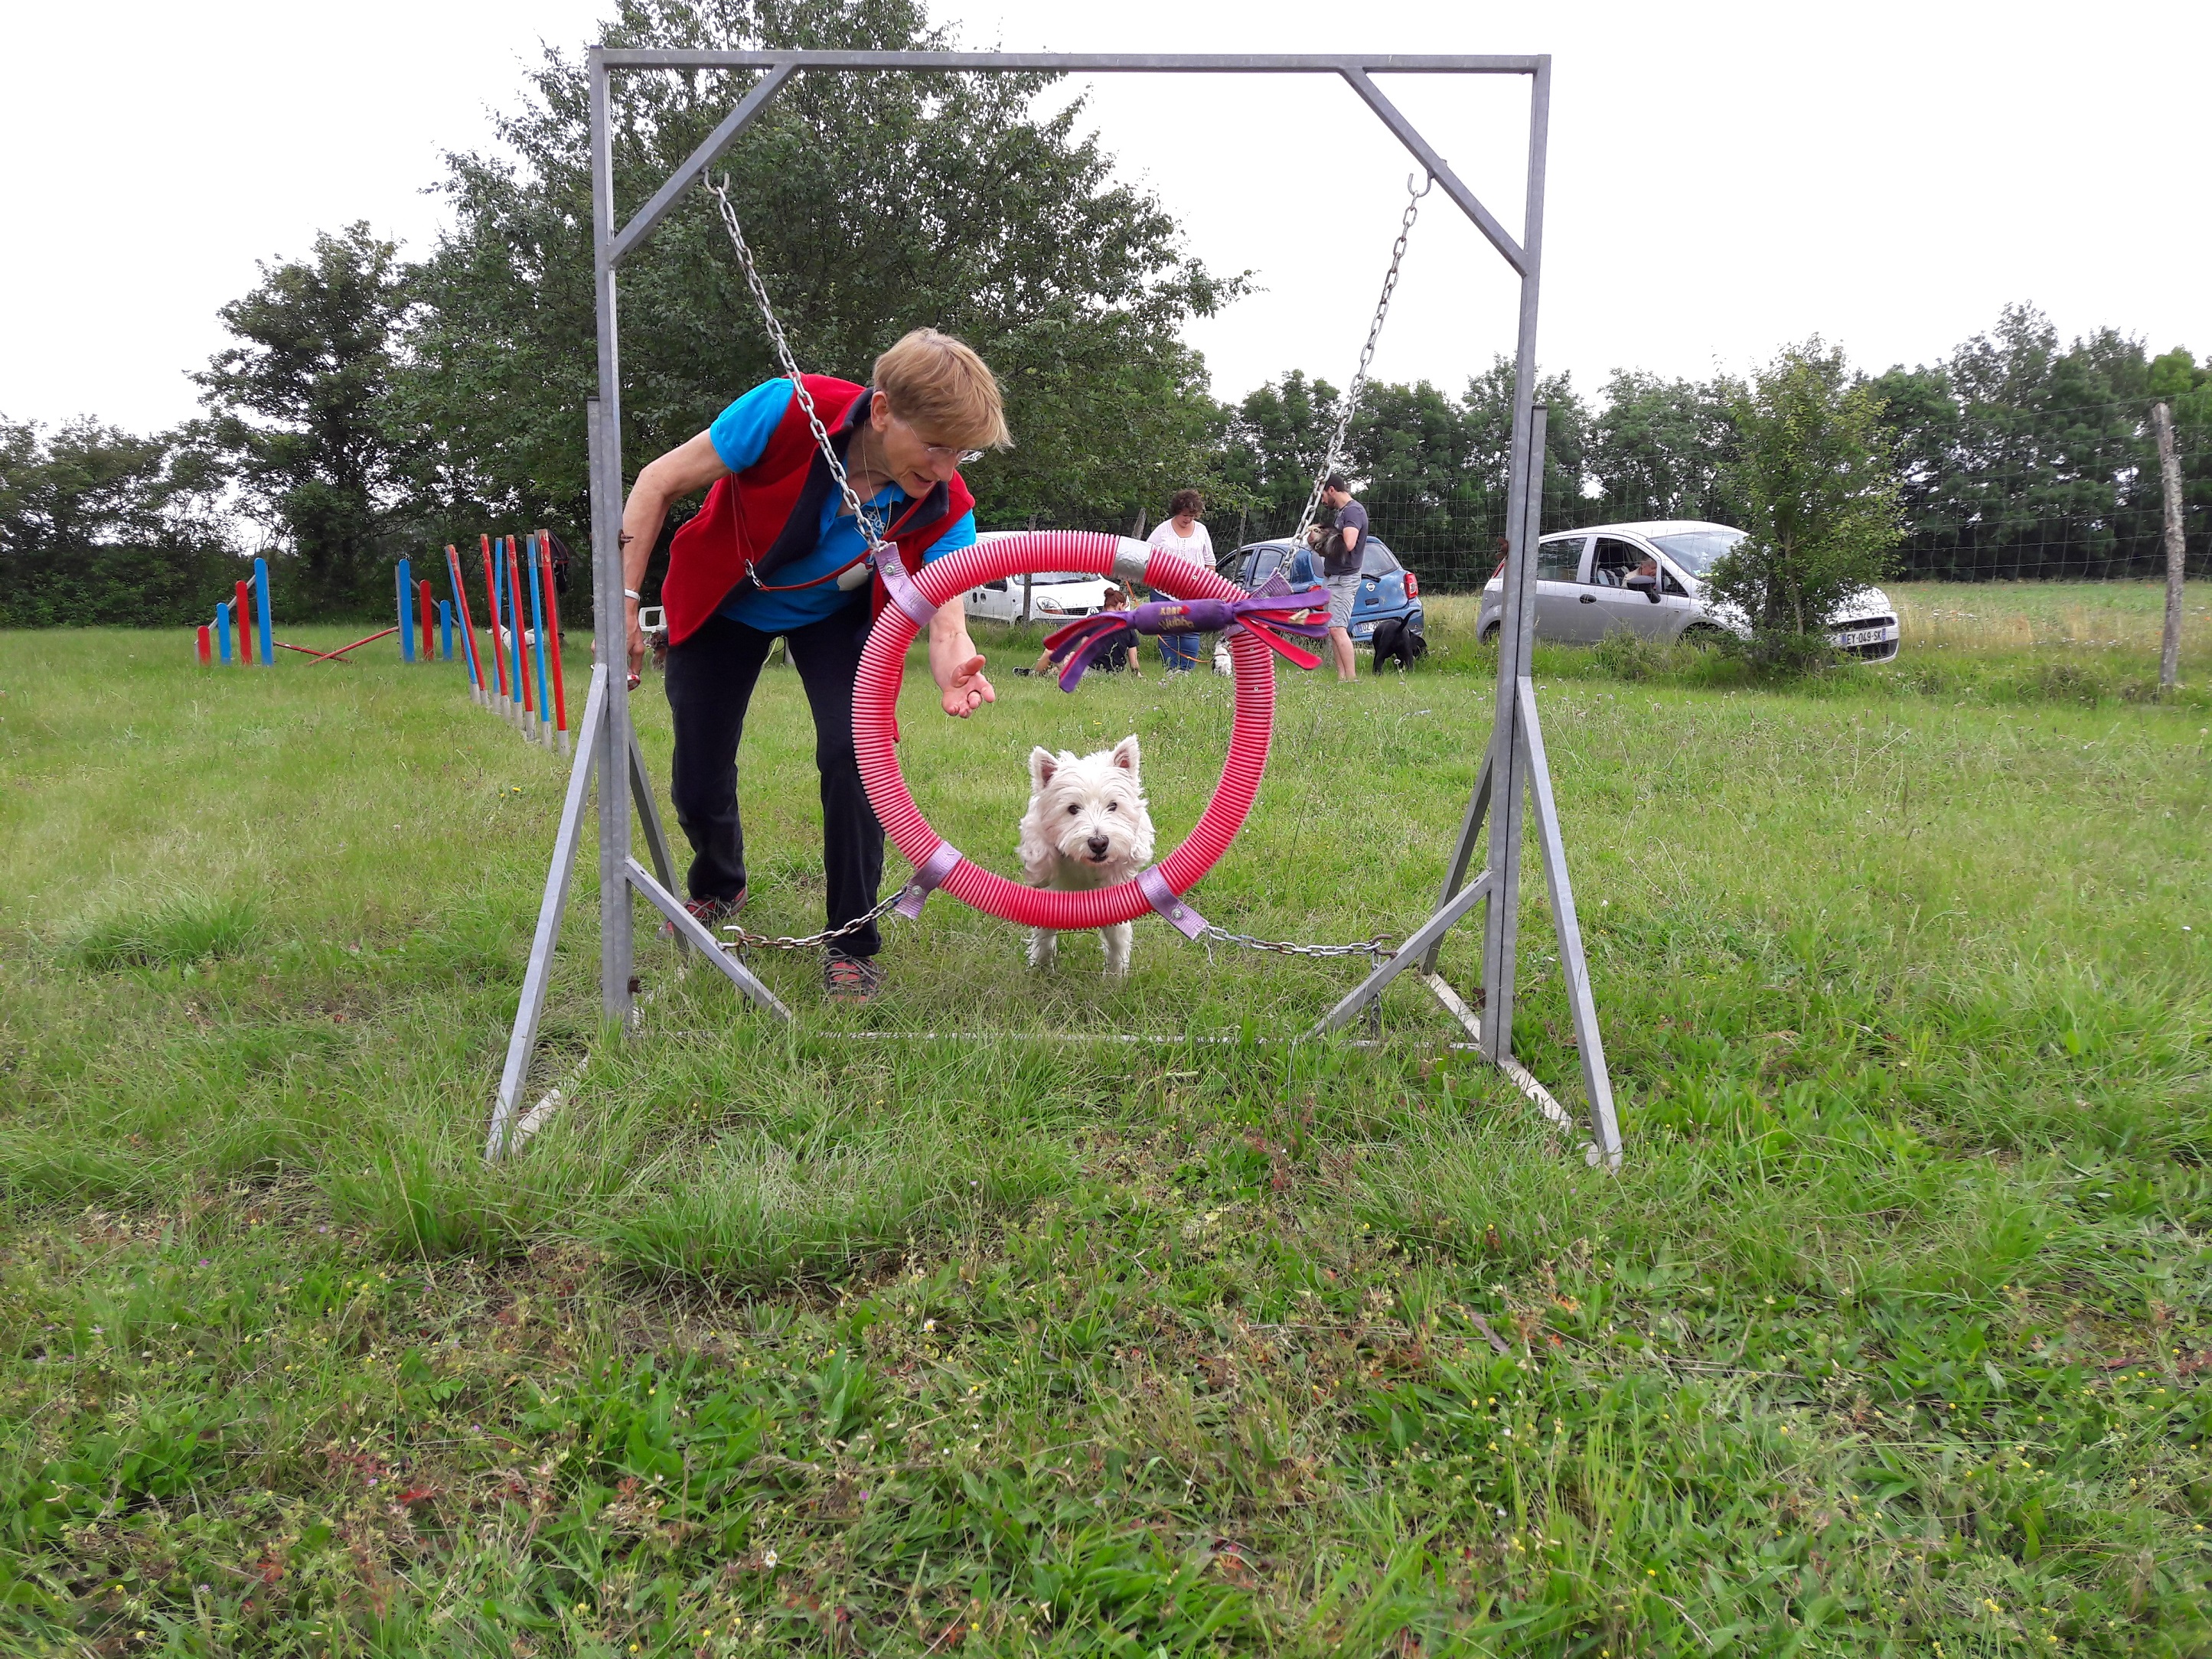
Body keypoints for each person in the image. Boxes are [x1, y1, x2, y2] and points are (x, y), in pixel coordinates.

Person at [618, 328, 1008, 1004]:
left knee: (856, 754)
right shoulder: (783, 410)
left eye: (962, 452)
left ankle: (852, 941)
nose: (947, 468)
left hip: (838, 618)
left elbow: (948, 620)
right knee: (698, 771)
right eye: (936, 445)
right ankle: (720, 885)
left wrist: (954, 667)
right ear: (883, 411)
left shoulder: (947, 506)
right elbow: (657, 483)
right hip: (725, 596)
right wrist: (624, 602)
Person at [1146, 489, 1213, 671]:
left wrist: (1208, 585)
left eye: (1192, 516)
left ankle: (1186, 672)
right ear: (1177, 511)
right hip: (1163, 591)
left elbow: (1210, 562)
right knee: (1167, 632)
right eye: (1185, 515)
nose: (1188, 519)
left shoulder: (1202, 531)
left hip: (1195, 591)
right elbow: (1146, 556)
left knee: (1190, 631)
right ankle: (1170, 671)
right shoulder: (1162, 531)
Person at [1018, 582, 1139, 677]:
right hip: (1115, 675)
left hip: (1090, 672)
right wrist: (1138, 675)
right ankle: (1049, 673)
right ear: (1121, 606)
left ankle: (1035, 675)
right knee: (1069, 658)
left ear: (1106, 606)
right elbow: (1134, 665)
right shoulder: (1129, 627)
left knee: (1050, 653)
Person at [1316, 473, 1368, 681]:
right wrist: (1317, 543)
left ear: (1331, 490)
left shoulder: (1354, 511)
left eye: (1322, 495)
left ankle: (1352, 678)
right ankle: (1341, 677)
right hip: (1332, 577)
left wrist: (1324, 537)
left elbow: (1348, 543)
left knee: (1338, 628)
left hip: (1344, 579)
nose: (1322, 500)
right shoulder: (1342, 512)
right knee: (1333, 629)